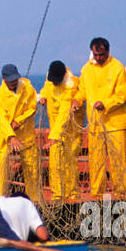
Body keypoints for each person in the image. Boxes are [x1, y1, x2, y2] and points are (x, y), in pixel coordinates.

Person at [75, 38, 126, 195]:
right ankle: (97, 193)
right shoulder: (86, 69)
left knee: (118, 159)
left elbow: (121, 95)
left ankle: (121, 193)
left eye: (102, 54)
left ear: (108, 51)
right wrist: (77, 100)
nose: (99, 57)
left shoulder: (118, 68)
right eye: (96, 54)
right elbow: (82, 91)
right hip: (95, 124)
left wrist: (105, 103)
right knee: (96, 160)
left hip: (115, 124)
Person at [37, 60, 82, 202]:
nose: (54, 83)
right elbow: (47, 87)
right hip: (54, 128)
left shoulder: (71, 86)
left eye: (57, 81)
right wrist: (43, 96)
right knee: (55, 161)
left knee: (70, 161)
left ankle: (72, 193)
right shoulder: (50, 78)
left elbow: (64, 114)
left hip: (70, 129)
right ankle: (57, 194)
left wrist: (54, 136)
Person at [0, 64, 39, 200]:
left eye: (15, 79)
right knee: (0, 170)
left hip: (26, 135)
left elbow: (32, 108)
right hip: (6, 137)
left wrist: (19, 120)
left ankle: (34, 200)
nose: (13, 83)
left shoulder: (28, 89)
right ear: (3, 79)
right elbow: (1, 118)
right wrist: (11, 136)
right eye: (10, 80)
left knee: (32, 170)